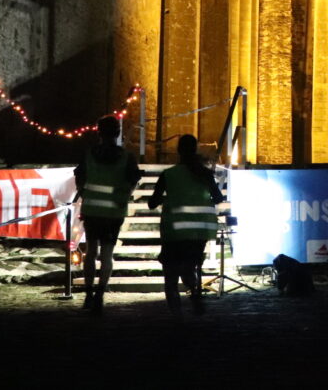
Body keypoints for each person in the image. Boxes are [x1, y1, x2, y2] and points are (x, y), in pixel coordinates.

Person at [148, 135, 224, 314]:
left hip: (174, 230)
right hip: (199, 231)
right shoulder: (204, 174)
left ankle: (176, 315)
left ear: (178, 151)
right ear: (195, 150)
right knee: (189, 266)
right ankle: (195, 292)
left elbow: (152, 203)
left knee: (171, 274)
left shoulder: (169, 174)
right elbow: (218, 198)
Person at [75, 115, 142, 315]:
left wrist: (85, 194)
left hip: (92, 209)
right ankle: (100, 294)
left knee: (91, 252)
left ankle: (88, 293)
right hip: (114, 211)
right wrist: (124, 196)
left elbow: (79, 177)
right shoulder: (126, 157)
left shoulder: (89, 154)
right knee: (107, 254)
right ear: (118, 133)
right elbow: (133, 180)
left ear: (99, 132)